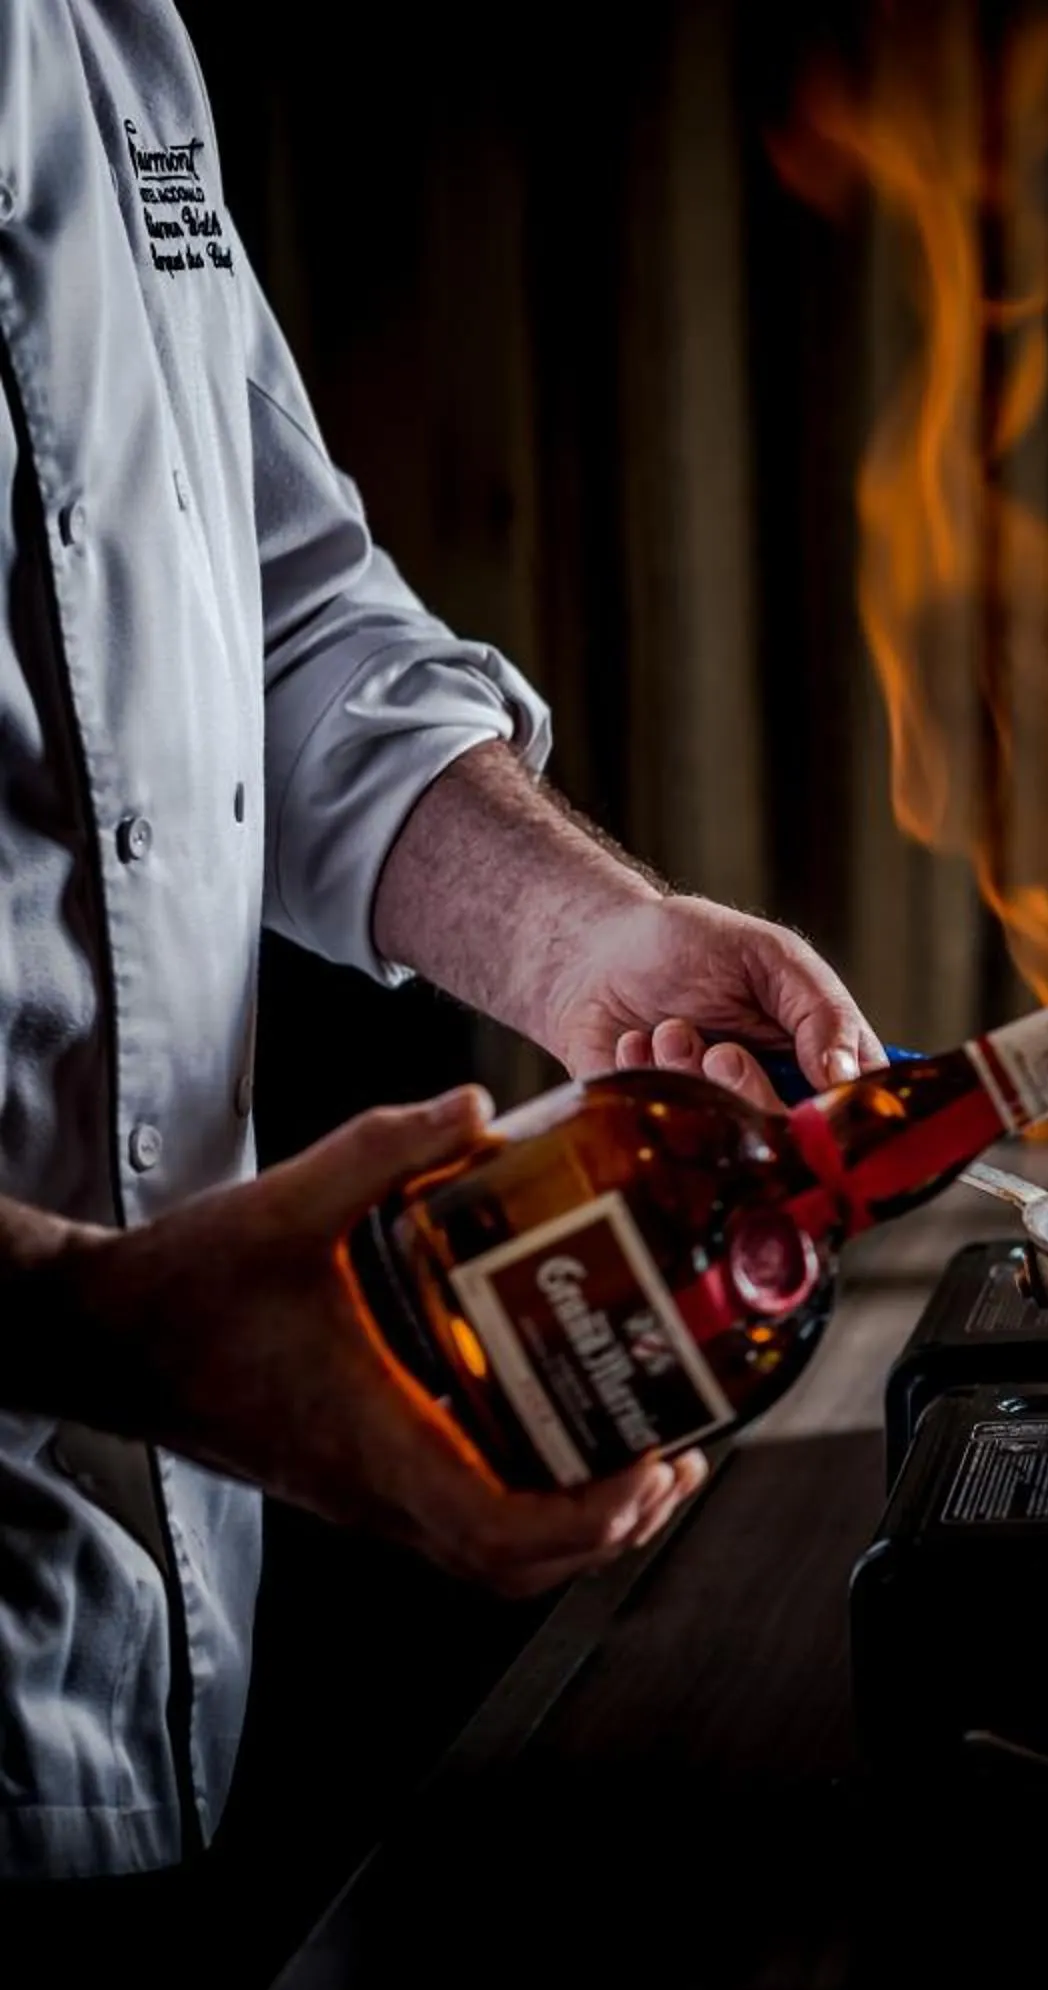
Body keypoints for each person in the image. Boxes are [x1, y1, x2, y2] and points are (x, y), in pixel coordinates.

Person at [0, 0, 883, 1893]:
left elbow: (293, 623)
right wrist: (93, 1325)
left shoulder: (116, 42)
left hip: (155, 1668)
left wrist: (593, 943)